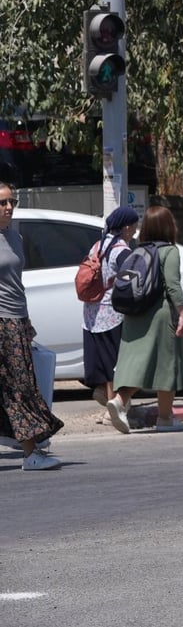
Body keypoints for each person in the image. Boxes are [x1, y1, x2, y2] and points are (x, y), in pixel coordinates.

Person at [106, 205, 183, 434]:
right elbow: (172, 284)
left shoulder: (136, 250)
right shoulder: (169, 251)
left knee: (137, 362)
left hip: (135, 314)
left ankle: (119, 401)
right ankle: (165, 418)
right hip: (160, 314)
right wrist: (182, 312)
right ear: (168, 226)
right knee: (166, 366)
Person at [0, 183, 63, 469]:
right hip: (2, 322)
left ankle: (30, 447)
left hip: (17, 320)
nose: (8, 207)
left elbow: (16, 284)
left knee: (17, 386)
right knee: (17, 387)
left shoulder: (14, 237)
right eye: (2, 203)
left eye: (11, 202)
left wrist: (26, 322)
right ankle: (30, 453)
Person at [82, 205, 138, 420]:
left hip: (91, 313)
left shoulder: (97, 246)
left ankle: (103, 396)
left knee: (104, 361)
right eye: (134, 226)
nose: (134, 231)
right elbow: (132, 279)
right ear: (126, 227)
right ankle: (113, 410)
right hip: (112, 314)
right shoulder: (122, 251)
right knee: (116, 363)